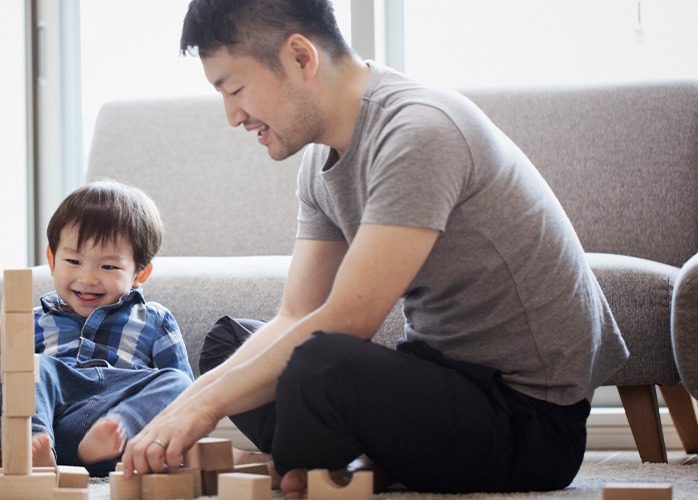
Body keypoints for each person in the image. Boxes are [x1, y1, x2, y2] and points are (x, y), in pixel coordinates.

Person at [121, 0, 629, 495]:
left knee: (319, 365)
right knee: (227, 344)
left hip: (527, 421)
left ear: (301, 57)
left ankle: (343, 461)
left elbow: (346, 322)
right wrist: (182, 407)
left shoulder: (418, 132)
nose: (233, 116)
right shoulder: (319, 163)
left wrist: (204, 410)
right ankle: (350, 462)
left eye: (234, 89)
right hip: (441, 382)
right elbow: (296, 312)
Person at [0, 179, 194, 477]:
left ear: (139, 273)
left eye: (108, 267)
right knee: (27, 367)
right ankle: (30, 445)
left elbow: (183, 399)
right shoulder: (33, 320)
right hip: (56, 428)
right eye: (74, 261)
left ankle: (118, 425)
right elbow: (12, 388)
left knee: (180, 383)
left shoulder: (155, 319)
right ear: (52, 261)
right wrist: (4, 443)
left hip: (119, 437)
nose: (88, 278)